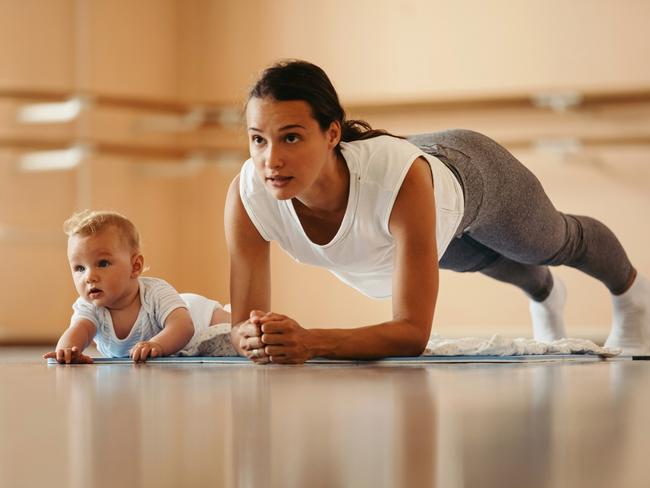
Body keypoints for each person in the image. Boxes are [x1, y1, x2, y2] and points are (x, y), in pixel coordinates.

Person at [225, 59, 649, 364]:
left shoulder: (398, 182)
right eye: (258, 139)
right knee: (483, 259)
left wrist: (311, 341)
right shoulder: (249, 196)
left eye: (291, 138)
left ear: (332, 133)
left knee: (550, 242)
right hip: (418, 208)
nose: (271, 160)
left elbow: (411, 332)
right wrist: (254, 336)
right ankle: (547, 295)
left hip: (469, 172)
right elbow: (240, 324)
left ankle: (633, 296)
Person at [44, 210, 231, 364]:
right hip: (184, 347)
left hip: (197, 316)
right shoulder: (90, 307)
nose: (89, 277)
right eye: (79, 268)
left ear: (135, 266)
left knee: (237, 327)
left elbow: (183, 326)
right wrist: (67, 351)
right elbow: (79, 332)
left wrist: (157, 345)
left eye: (102, 263)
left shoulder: (154, 292)